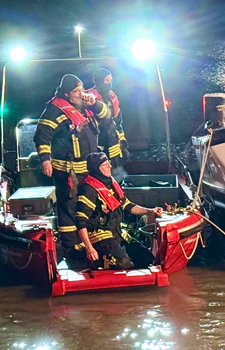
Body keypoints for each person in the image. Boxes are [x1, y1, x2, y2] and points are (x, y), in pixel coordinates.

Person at [33, 74, 112, 267]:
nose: (80, 94)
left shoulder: (86, 105)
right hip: (67, 172)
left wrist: (94, 103)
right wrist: (45, 160)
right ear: (67, 93)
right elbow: (42, 135)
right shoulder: (54, 109)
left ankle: (96, 245)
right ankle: (72, 251)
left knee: (90, 205)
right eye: (76, 91)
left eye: (81, 90)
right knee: (69, 207)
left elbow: (107, 117)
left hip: (89, 169)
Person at [75, 152, 163, 269]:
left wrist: (151, 211)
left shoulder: (111, 183)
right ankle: (96, 260)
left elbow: (127, 206)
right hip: (100, 236)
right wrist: (89, 247)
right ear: (97, 169)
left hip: (117, 233)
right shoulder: (88, 189)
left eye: (109, 164)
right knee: (124, 264)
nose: (110, 167)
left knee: (147, 258)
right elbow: (80, 220)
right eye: (105, 165)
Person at [85, 68, 128, 167]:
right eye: (106, 80)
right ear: (99, 81)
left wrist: (122, 141)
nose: (109, 83)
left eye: (110, 80)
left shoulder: (113, 97)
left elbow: (118, 122)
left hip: (112, 141)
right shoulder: (89, 97)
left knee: (114, 168)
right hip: (97, 142)